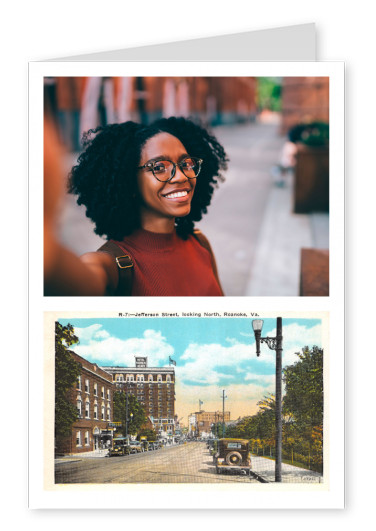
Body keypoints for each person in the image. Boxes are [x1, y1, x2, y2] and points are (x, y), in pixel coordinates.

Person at [45, 116, 228, 296]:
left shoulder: (200, 243)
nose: (181, 176)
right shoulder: (111, 266)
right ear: (129, 181)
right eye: (159, 167)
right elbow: (71, 280)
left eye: (186, 163)